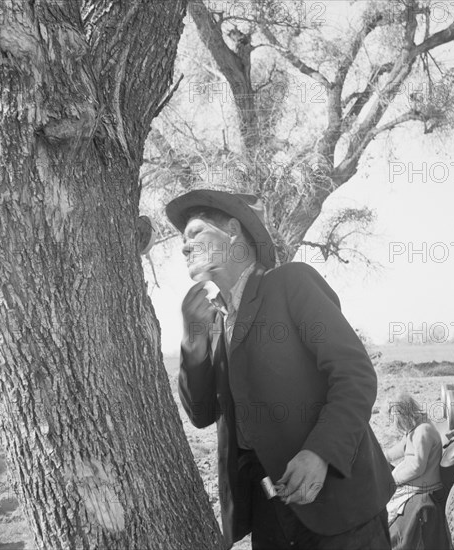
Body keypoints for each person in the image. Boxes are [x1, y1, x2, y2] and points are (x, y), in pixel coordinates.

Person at [166, 189, 395, 550]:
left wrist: (320, 453)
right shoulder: (211, 323)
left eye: (194, 233)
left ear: (232, 230)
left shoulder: (291, 283)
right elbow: (200, 414)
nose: (184, 246)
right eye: (182, 240)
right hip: (269, 515)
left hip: (339, 505)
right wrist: (192, 338)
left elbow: (355, 375)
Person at [385, 392, 449, 550]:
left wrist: (393, 479)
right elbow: (402, 448)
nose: (394, 423)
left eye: (394, 418)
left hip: (424, 486)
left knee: (391, 509)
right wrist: (383, 457)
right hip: (417, 482)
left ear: (403, 415)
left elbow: (417, 467)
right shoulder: (414, 428)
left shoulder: (423, 432)